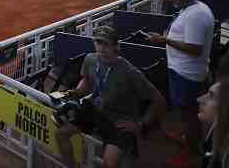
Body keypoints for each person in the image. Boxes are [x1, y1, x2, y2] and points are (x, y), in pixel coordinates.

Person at [56, 26, 166, 168]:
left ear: (116, 46)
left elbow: (159, 101)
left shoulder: (130, 72)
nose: (101, 48)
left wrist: (141, 124)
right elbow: (87, 80)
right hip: (96, 110)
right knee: (61, 134)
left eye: (106, 44)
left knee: (108, 165)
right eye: (98, 42)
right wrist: (76, 92)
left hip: (120, 120)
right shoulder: (90, 59)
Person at [147, 0, 215, 168]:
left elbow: (195, 49)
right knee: (188, 112)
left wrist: (164, 40)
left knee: (189, 114)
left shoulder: (195, 15)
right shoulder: (194, 8)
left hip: (186, 73)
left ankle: (192, 153)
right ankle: (189, 138)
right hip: (185, 70)